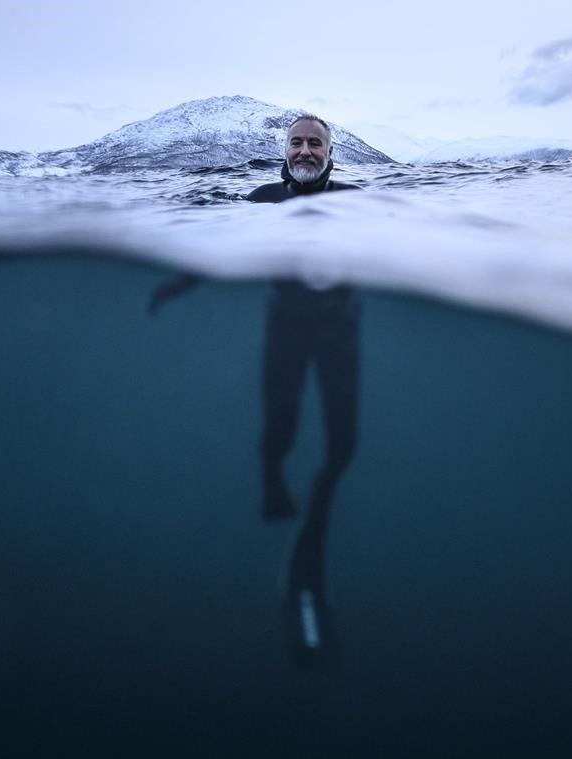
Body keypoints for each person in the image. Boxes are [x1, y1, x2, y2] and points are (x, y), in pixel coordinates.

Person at [148, 114, 361, 668]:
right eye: (298, 143)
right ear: (284, 152)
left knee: (343, 449)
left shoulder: (358, 202)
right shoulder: (262, 199)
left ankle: (312, 542)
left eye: (316, 143)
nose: (306, 150)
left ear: (331, 153)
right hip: (286, 332)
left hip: (340, 337)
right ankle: (272, 485)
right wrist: (176, 283)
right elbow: (217, 250)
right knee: (280, 431)